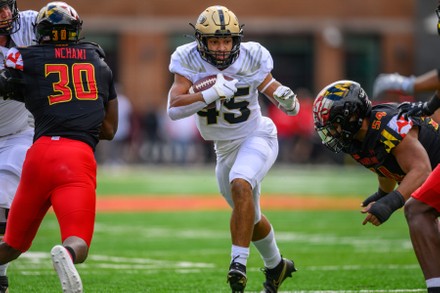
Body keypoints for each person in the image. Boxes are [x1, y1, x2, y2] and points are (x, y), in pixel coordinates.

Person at [167, 5, 298, 292]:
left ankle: (237, 265)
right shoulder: (186, 58)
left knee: (241, 184)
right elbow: (174, 109)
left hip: (256, 135)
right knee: (249, 219)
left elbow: (270, 86)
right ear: (201, 41)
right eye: (214, 40)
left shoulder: (252, 55)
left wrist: (286, 99)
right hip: (223, 149)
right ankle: (277, 266)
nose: (222, 47)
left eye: (227, 40)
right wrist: (210, 92)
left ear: (236, 39)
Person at [0, 2, 118, 293]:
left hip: (37, 153)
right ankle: (65, 255)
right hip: (76, 156)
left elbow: (11, 83)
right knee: (77, 241)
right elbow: (110, 129)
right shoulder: (99, 62)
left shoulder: (23, 56)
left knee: (12, 243)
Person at [312, 80, 440, 293]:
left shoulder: (388, 123)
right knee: (425, 222)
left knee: (415, 210)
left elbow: (421, 170)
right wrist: (383, 193)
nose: (332, 132)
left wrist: (390, 203)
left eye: (334, 124)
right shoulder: (355, 139)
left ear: (352, 115)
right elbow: (382, 164)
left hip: (433, 171)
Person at [0, 0, 37, 291]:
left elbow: (65, 47)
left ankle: (0, 274)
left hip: (18, 131)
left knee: (2, 205)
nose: (5, 14)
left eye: (6, 6)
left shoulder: (32, 23)